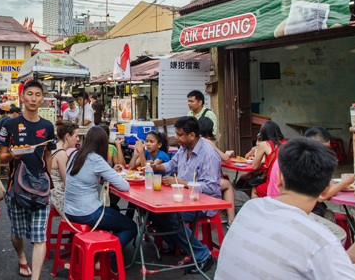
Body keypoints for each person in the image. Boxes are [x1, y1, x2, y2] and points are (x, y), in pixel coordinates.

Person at [215, 138, 355, 279]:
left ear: (279, 178)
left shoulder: (249, 208)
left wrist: (345, 258)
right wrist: (343, 260)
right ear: (325, 189)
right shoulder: (322, 240)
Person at [0, 80, 56, 279]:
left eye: (37, 94)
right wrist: (14, 155)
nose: (33, 98)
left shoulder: (48, 126)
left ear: (42, 98)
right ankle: (21, 256)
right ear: (22, 97)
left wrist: (47, 178)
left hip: (40, 188)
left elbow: (49, 154)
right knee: (17, 232)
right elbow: (2, 157)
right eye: (29, 94)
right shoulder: (9, 124)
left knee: (40, 237)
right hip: (16, 188)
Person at [149, 116, 221, 274]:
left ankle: (203, 255)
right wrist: (156, 167)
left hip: (203, 202)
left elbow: (210, 187)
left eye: (180, 135)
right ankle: (178, 244)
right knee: (154, 211)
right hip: (182, 198)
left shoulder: (208, 154)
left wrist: (182, 182)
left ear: (192, 135)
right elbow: (172, 165)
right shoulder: (183, 149)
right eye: (177, 134)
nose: (176, 138)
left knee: (172, 217)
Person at [64, 126, 136, 268]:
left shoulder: (74, 154)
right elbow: (124, 186)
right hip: (87, 213)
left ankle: (101, 251)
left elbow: (86, 177)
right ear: (103, 143)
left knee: (114, 210)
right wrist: (110, 172)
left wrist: (107, 173)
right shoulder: (96, 159)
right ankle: (104, 260)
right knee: (131, 227)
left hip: (69, 210)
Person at [270, 126, 350, 244]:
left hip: (276, 203)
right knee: (340, 234)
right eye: (326, 148)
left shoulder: (289, 156)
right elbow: (321, 197)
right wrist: (344, 183)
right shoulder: (307, 162)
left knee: (329, 216)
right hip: (292, 210)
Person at [198, 118, 236, 226]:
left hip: (195, 180)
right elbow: (224, 157)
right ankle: (231, 220)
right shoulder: (207, 141)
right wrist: (228, 153)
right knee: (228, 184)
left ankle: (220, 212)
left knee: (224, 179)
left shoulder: (196, 142)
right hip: (204, 183)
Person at [246, 120, 286, 198]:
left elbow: (254, 167)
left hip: (273, 181)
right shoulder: (285, 143)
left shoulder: (265, 144)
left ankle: (257, 209)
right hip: (286, 181)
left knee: (255, 190)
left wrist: (260, 162)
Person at [50, 121, 80, 218]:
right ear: (67, 136)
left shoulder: (54, 148)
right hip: (57, 195)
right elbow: (67, 181)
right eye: (76, 136)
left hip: (49, 192)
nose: (78, 139)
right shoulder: (62, 154)